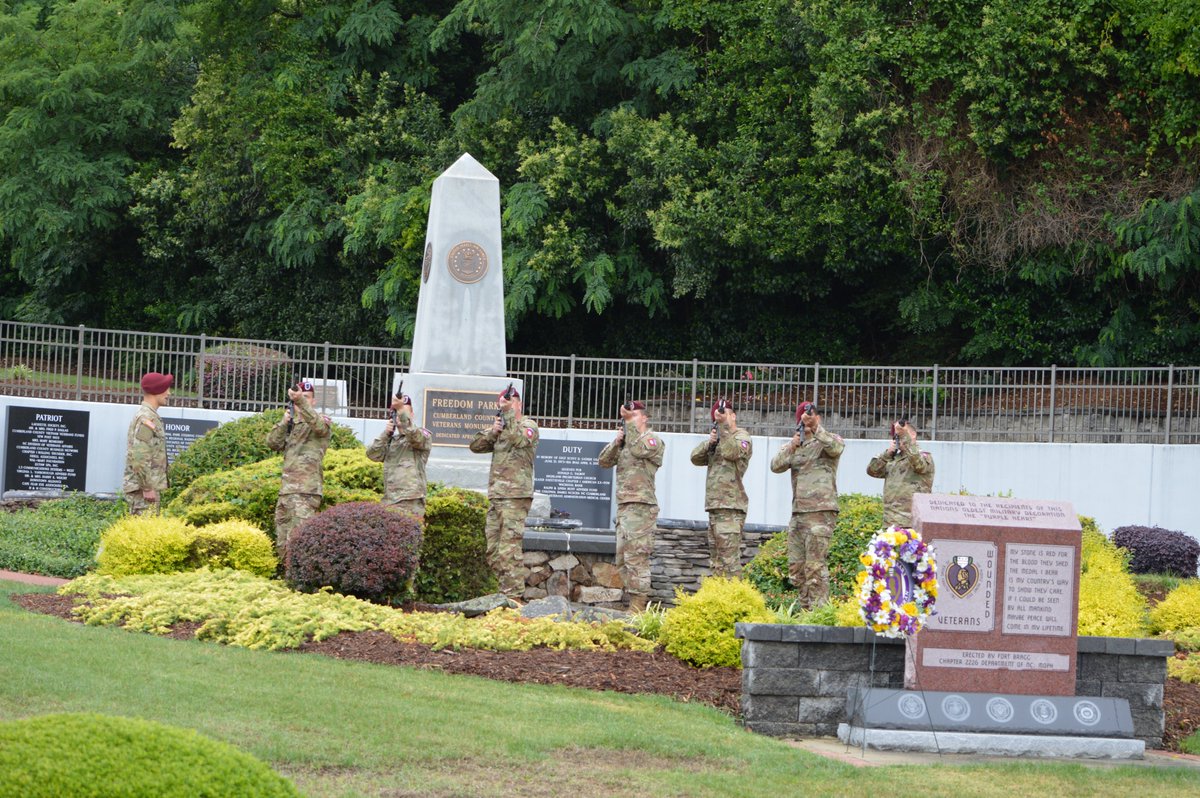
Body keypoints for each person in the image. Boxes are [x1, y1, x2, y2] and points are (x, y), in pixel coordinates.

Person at [769, 401, 844, 608]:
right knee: (796, 569)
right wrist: (792, 446)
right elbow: (775, 466)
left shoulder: (827, 440)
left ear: (817, 418)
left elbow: (836, 448)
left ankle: (819, 614)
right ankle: (805, 612)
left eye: (811, 418)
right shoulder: (794, 445)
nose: (807, 422)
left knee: (815, 567)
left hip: (820, 512)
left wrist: (816, 428)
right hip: (798, 513)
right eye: (803, 420)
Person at [469, 387, 539, 599]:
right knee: (493, 550)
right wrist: (493, 431)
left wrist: (508, 416)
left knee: (509, 551)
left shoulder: (529, 426)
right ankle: (503, 591)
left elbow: (519, 440)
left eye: (509, 403)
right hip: (497, 495)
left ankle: (514, 598)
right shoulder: (501, 430)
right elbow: (475, 446)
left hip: (516, 496)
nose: (504, 406)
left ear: (519, 404)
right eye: (501, 403)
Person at [597, 400, 665, 611]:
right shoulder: (626, 441)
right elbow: (603, 461)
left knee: (637, 559)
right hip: (625, 507)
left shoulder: (652, 441)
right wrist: (616, 442)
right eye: (628, 416)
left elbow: (639, 451)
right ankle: (634, 602)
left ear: (644, 418)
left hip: (641, 507)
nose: (630, 419)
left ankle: (638, 606)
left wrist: (628, 427)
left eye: (634, 416)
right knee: (623, 559)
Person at [266, 380, 331, 556]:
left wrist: (299, 400)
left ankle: (296, 581)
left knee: (298, 543)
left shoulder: (321, 422)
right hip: (286, 491)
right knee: (282, 545)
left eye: (307, 397)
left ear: (313, 401)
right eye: (300, 398)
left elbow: (319, 427)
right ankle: (283, 580)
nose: (303, 401)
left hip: (305, 491)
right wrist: (283, 422)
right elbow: (272, 443)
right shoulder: (291, 424)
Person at [689, 400, 753, 577]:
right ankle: (719, 599)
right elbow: (695, 458)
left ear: (733, 416)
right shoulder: (717, 440)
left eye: (726, 416)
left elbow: (732, 452)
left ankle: (735, 599)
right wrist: (709, 443)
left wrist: (723, 428)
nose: (723, 420)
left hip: (731, 506)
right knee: (716, 561)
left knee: (729, 561)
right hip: (715, 506)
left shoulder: (742, 437)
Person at [366, 391, 432, 519]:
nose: (400, 417)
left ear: (411, 415)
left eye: (404, 413)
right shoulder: (391, 440)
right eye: (398, 414)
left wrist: (401, 408)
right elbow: (372, 455)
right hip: (390, 500)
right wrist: (385, 434)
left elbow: (414, 436)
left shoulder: (422, 435)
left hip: (410, 501)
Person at [866, 419, 934, 527]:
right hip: (890, 521)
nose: (900, 439)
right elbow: (872, 471)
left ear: (913, 435)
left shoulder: (924, 456)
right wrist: (887, 453)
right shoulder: (892, 459)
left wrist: (905, 436)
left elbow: (919, 466)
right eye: (897, 437)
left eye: (902, 435)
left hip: (912, 521)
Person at [123, 371, 173, 515]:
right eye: (165, 388)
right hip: (143, 491)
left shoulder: (149, 416)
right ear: (155, 391)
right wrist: (147, 487)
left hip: (147, 487)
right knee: (141, 532)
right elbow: (140, 455)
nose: (169, 393)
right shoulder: (147, 418)